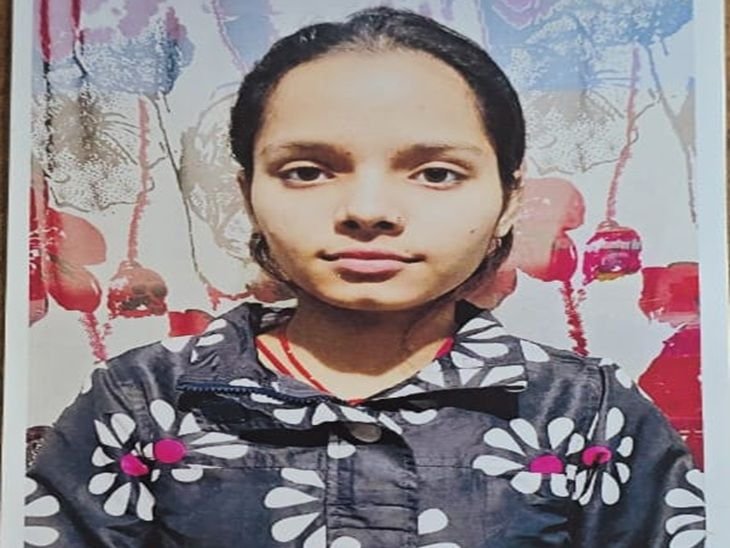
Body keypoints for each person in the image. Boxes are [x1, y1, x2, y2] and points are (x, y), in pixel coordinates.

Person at [25, 7, 705, 547]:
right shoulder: (144, 399)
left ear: (508, 201)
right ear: (248, 194)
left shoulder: (585, 411)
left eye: (437, 173)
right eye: (307, 171)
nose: (369, 210)